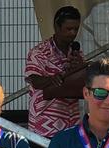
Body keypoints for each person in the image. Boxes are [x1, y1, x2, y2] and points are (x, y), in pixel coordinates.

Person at [25, 5, 84, 139]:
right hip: (44, 126)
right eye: (68, 29)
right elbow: (34, 80)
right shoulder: (39, 52)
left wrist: (80, 70)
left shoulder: (76, 53)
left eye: (76, 29)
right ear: (57, 27)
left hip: (71, 124)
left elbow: (81, 83)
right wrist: (51, 80)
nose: (73, 33)